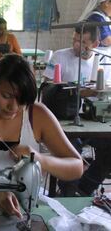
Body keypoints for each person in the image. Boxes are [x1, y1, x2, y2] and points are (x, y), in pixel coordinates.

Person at [0, 54, 83, 217]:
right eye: (6, 96)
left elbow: (77, 166)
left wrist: (40, 160)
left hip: (27, 207)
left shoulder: (37, 115)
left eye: (22, 100)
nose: (13, 107)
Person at [43, 26, 111, 196]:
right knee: (72, 152)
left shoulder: (104, 60)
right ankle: (68, 194)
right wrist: (75, 91)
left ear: (95, 43)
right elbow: (47, 89)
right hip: (63, 121)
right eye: (74, 40)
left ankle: (84, 188)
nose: (76, 45)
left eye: (83, 42)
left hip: (92, 120)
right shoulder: (60, 56)